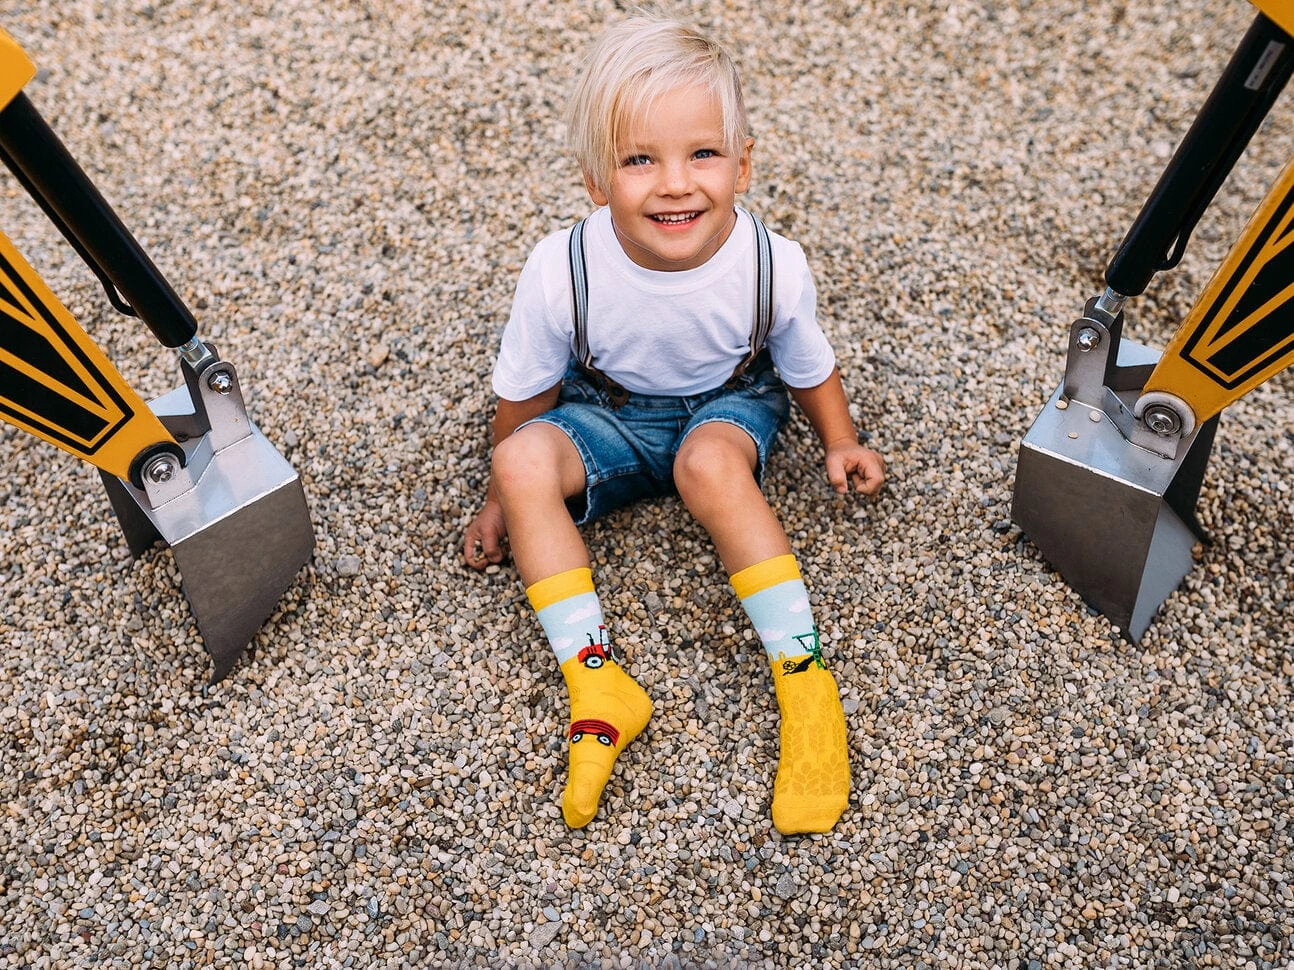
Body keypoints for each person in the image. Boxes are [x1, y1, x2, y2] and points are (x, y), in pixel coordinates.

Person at [463, 14, 884, 835]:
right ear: (596, 180)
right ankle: (597, 683)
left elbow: (806, 362)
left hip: (727, 405)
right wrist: (498, 497)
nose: (675, 184)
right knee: (520, 464)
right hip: (605, 412)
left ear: (743, 164)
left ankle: (804, 681)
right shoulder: (561, 270)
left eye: (703, 154)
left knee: (708, 466)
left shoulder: (771, 263)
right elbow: (525, 394)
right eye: (639, 160)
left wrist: (839, 439)